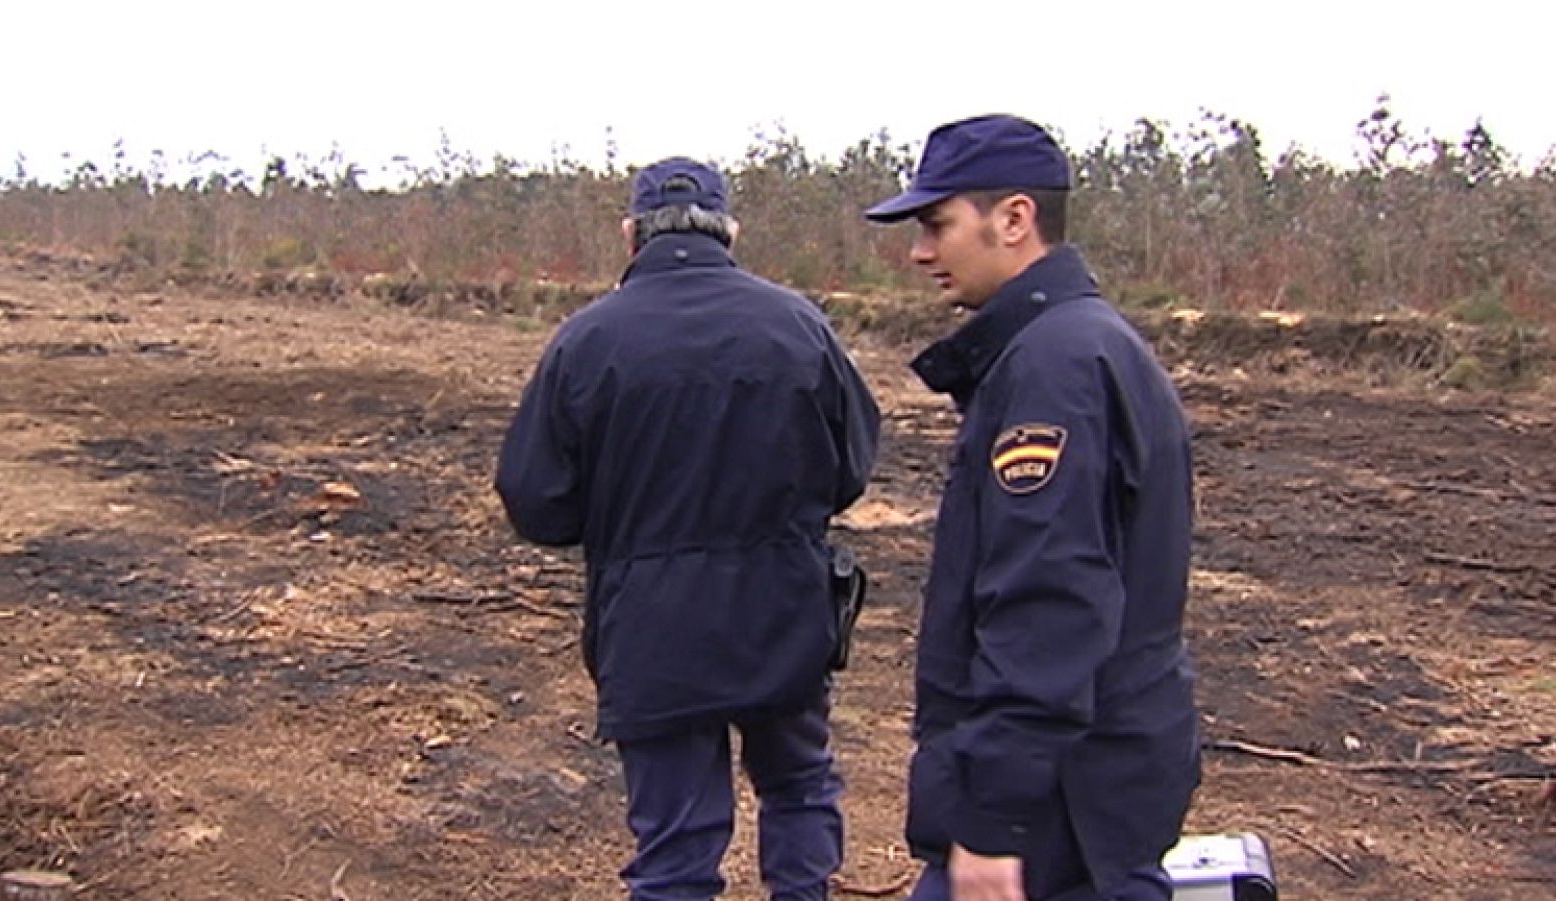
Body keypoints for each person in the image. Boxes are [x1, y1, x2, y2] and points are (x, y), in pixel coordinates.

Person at [496, 157, 881, 901]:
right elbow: (851, 466)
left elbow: (534, 497)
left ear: (630, 234)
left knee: (676, 845)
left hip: (651, 625)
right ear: (729, 231)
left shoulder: (588, 339)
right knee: (799, 786)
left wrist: (620, 526)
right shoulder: (799, 325)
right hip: (783, 613)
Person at [864, 115, 1201, 901]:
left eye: (938, 224)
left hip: (1060, 808)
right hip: (1094, 784)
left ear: (1014, 218)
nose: (920, 252)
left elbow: (1049, 605)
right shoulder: (1081, 345)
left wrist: (993, 819)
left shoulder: (1055, 370)